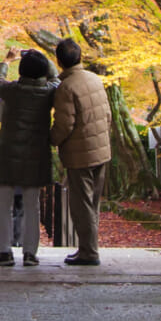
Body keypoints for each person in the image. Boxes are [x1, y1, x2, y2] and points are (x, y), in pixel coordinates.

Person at [0, 48, 58, 266]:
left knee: (5, 204)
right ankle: (30, 253)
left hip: (8, 154)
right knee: (32, 205)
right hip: (36, 155)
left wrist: (7, 60)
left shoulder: (11, 90)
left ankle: (5, 252)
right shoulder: (49, 91)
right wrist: (42, 57)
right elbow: (56, 77)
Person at [50, 37, 113, 266]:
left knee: (81, 204)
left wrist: (50, 139)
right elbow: (107, 115)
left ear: (59, 61)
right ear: (80, 57)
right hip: (101, 150)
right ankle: (87, 247)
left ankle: (89, 251)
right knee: (93, 203)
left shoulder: (66, 87)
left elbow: (64, 124)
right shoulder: (95, 79)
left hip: (80, 154)